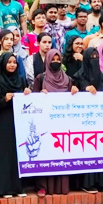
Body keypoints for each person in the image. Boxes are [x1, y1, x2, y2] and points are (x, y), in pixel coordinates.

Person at [32, 49, 79, 196]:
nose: (56, 62)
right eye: (53, 59)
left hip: (62, 127)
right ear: (47, 60)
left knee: (60, 154)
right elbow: (32, 102)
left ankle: (61, 187)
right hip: (45, 126)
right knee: (45, 154)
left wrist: (75, 92)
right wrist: (39, 95)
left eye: (59, 60)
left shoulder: (68, 80)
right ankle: (42, 186)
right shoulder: (41, 78)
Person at [0, 53, 31, 198]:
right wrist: (4, 99)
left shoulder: (21, 80)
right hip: (2, 121)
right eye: (9, 62)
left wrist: (28, 92)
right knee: (3, 154)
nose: (12, 65)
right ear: (3, 64)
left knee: (17, 153)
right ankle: (3, 189)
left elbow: (28, 100)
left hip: (18, 121)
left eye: (14, 62)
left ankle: (17, 188)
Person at [72, 48, 103, 194]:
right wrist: (83, 90)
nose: (94, 59)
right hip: (82, 123)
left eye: (96, 57)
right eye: (91, 57)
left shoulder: (101, 76)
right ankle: (85, 183)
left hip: (98, 121)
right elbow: (73, 93)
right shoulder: (78, 76)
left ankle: (100, 183)